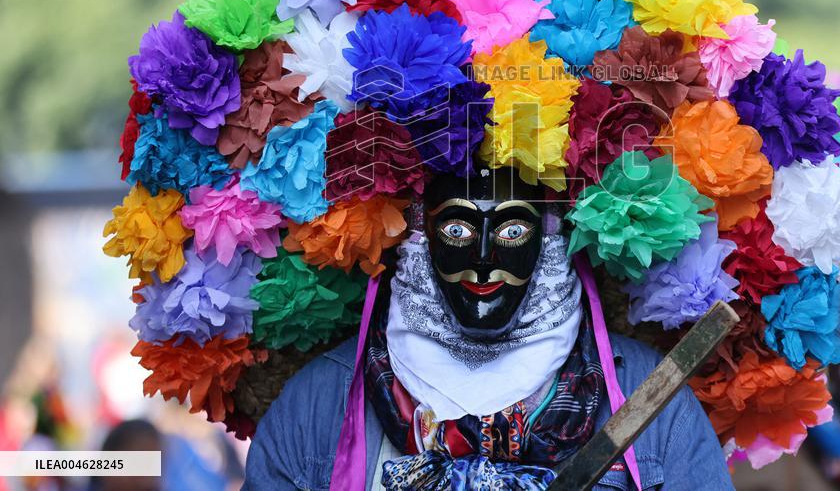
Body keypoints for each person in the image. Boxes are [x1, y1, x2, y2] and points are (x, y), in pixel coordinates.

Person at [245, 168, 733, 490]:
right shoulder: (315, 407)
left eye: (512, 232)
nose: (483, 262)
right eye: (457, 230)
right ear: (418, 235)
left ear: (548, 236)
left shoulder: (653, 400)